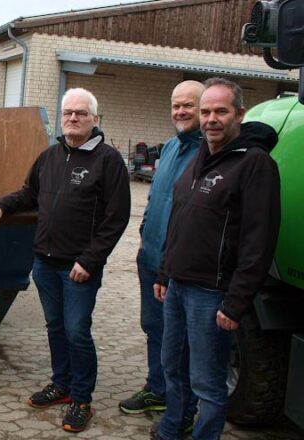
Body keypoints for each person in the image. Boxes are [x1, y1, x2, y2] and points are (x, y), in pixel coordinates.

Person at [0, 88, 130, 433]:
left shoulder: (108, 161)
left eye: (80, 113)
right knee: (55, 327)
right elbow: (28, 193)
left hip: (78, 267)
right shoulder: (49, 156)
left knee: (77, 331)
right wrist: (1, 205)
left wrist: (90, 261)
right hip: (45, 263)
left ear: (95, 119)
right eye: (67, 113)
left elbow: (116, 218)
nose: (73, 118)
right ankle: (61, 384)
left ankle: (81, 398)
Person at [151, 78, 281, 440]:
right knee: (173, 366)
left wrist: (237, 300)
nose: (211, 119)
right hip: (177, 285)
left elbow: (259, 240)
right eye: (205, 111)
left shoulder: (254, 164)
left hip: (212, 293)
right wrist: (165, 272)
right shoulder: (201, 156)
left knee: (207, 382)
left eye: (220, 111)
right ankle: (172, 428)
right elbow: (180, 220)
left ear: (239, 113)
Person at [118, 81, 204, 432]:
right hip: (151, 259)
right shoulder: (169, 148)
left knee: (178, 341)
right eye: (176, 105)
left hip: (180, 268)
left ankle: (181, 407)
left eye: (189, 105)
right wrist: (143, 240)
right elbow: (156, 198)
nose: (181, 112)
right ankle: (157, 389)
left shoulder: (210, 152)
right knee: (154, 328)